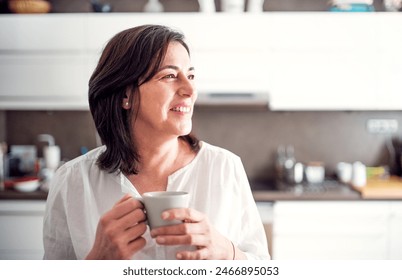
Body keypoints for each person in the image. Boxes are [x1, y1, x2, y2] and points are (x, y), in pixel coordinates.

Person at [43, 24, 270, 260]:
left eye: (191, 75)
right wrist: (97, 261)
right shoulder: (72, 181)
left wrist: (228, 253)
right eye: (170, 76)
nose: (190, 89)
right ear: (125, 95)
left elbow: (261, 266)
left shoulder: (225, 167)